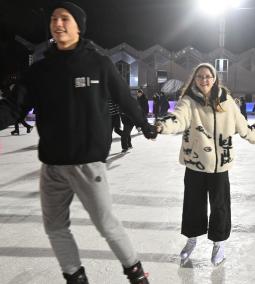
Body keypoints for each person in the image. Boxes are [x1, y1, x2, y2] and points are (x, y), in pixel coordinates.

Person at [0, 2, 157, 283]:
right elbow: (15, 107)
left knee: (107, 225)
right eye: (54, 19)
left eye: (65, 18)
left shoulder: (99, 64)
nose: (58, 24)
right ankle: (75, 276)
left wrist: (145, 125)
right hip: (52, 167)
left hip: (88, 165)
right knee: (55, 228)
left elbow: (124, 99)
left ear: (78, 26)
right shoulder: (40, 71)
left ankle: (136, 274)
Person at [156, 63, 255, 266]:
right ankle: (191, 239)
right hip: (196, 164)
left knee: (220, 206)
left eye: (208, 76)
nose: (204, 80)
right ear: (195, 79)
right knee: (193, 205)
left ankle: (219, 243)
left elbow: (242, 126)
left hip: (220, 166)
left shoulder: (227, 102)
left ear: (214, 78)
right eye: (200, 76)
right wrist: (162, 125)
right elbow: (178, 119)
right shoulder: (188, 101)